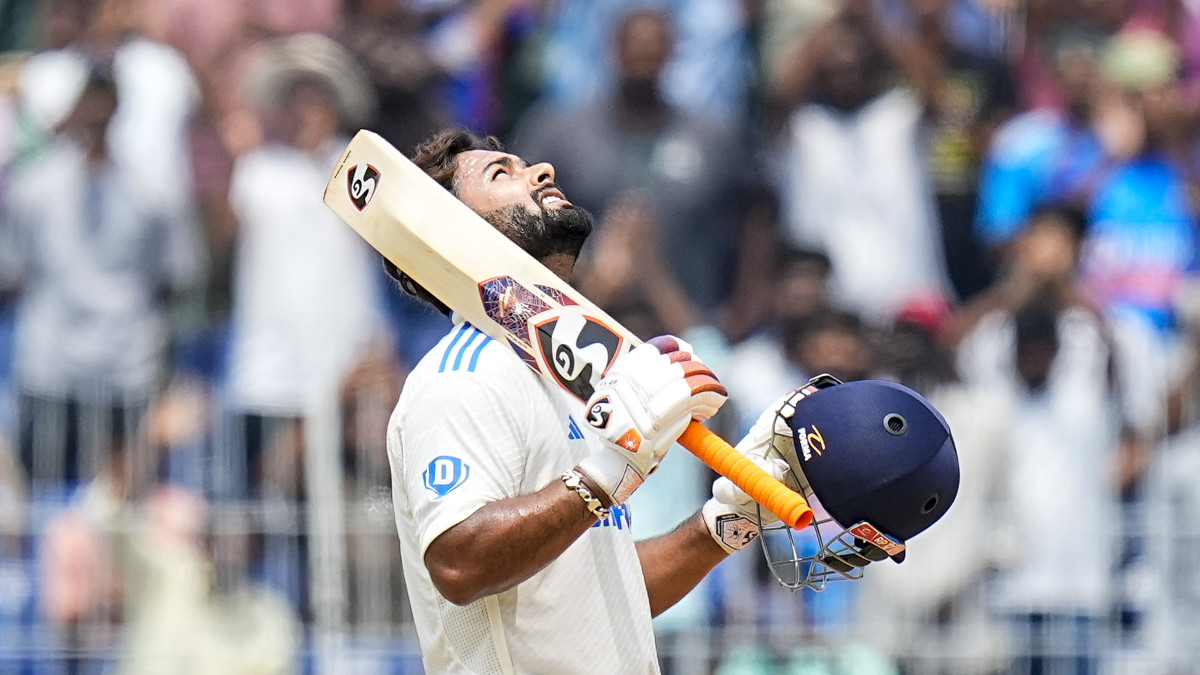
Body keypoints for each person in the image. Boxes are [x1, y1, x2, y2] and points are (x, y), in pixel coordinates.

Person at [382, 128, 961, 673]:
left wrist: (725, 522)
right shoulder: (464, 374)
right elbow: (458, 563)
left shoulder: (567, 380)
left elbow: (605, 599)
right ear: (449, 232)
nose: (542, 170)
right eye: (501, 173)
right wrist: (615, 466)